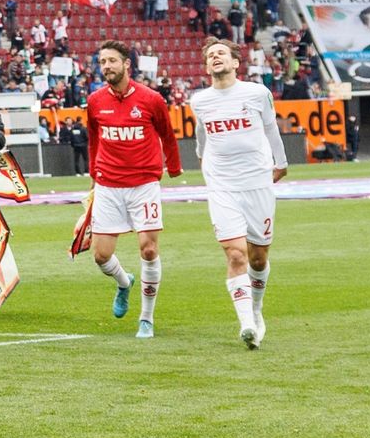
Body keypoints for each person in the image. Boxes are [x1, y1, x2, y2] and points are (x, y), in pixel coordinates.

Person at [188, 39, 286, 349]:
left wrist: (280, 163)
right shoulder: (199, 100)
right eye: (210, 56)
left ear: (235, 63)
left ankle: (256, 311)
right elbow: (201, 134)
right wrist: (203, 160)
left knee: (258, 257)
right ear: (206, 67)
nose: (215, 58)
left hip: (257, 182)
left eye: (221, 54)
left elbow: (271, 129)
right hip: (222, 185)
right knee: (235, 253)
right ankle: (246, 323)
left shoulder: (257, 94)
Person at [81, 40, 182, 339]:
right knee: (100, 255)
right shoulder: (95, 101)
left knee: (149, 249)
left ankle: (146, 318)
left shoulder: (151, 99)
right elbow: (94, 139)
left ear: (127, 64)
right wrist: (93, 173)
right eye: (102, 62)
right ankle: (124, 282)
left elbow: (168, 134)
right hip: (109, 186)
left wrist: (173, 167)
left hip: (144, 185)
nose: (106, 66)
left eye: (112, 60)